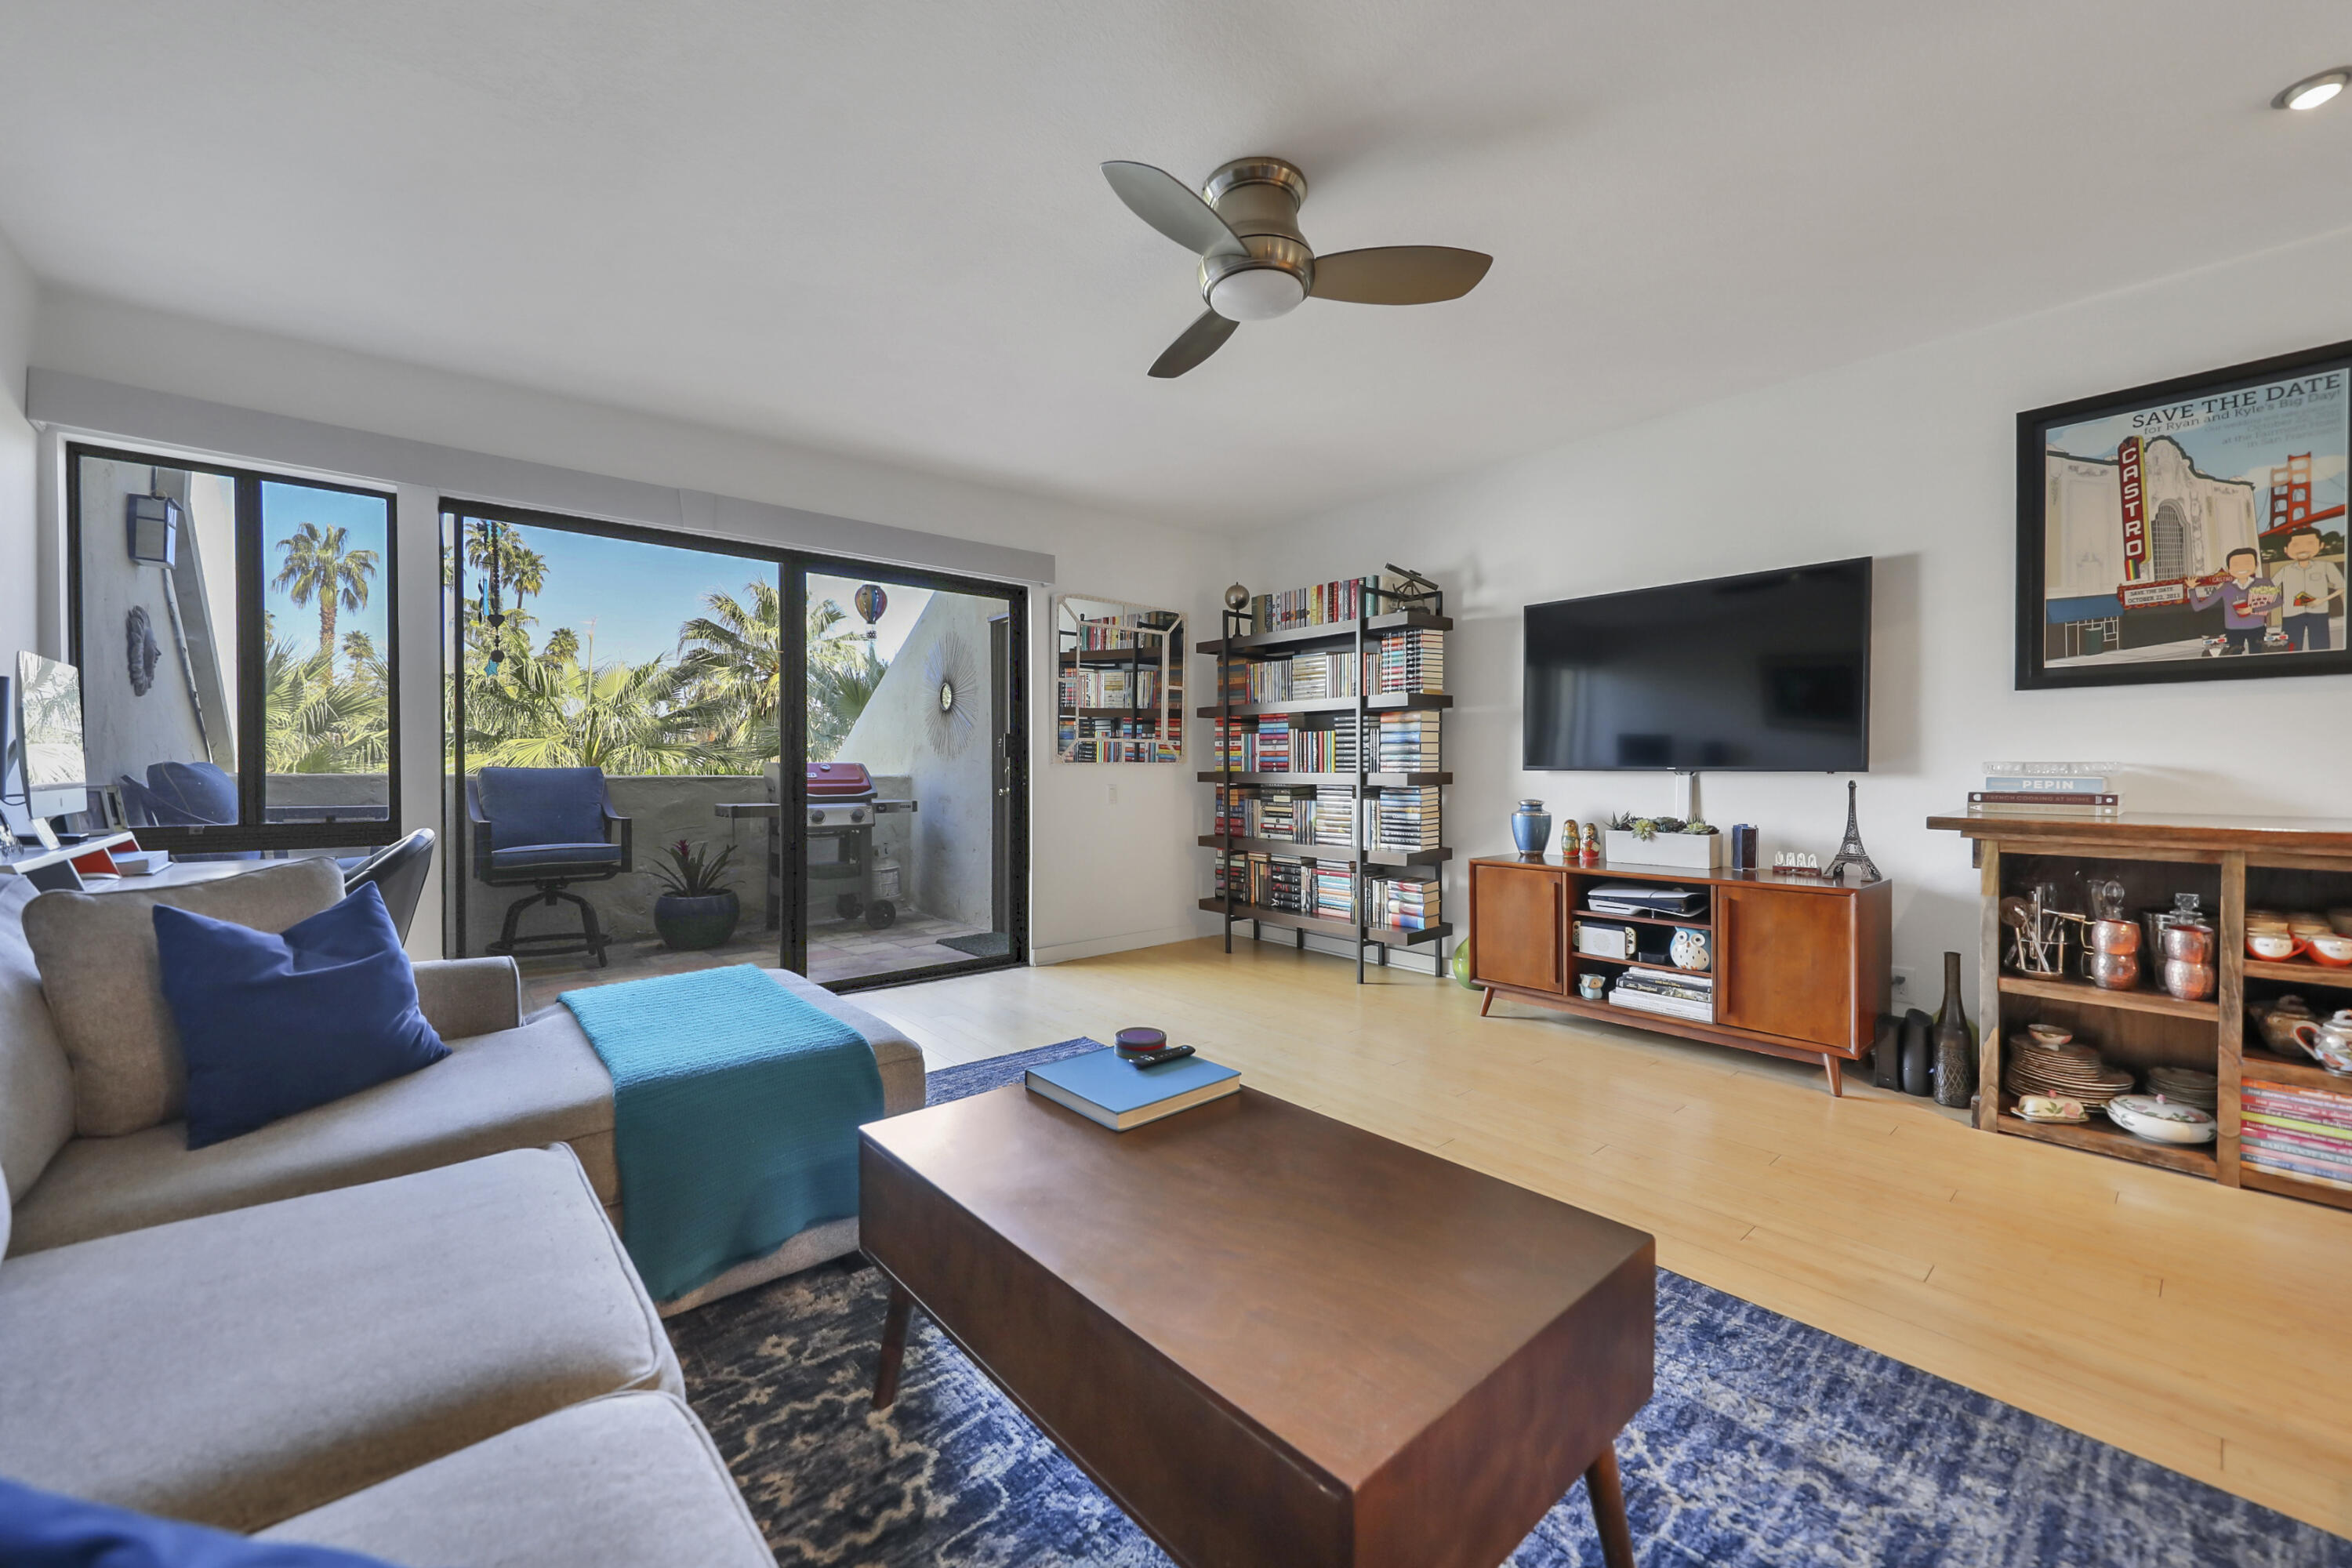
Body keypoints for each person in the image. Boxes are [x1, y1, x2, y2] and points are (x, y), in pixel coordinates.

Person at [2188, 546, 2281, 655]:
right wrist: (2192, 589)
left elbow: (2278, 602)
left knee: (2257, 657)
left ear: (2256, 565)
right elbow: (2198, 607)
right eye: (2236, 564)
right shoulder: (2226, 587)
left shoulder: (2264, 583)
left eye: (2247, 563)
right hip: (2233, 630)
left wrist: (2253, 610)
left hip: (2257, 628)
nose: (2242, 568)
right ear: (2229, 569)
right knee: (2234, 658)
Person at [2270, 526, 2345, 652]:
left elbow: (2342, 587)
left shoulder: (2326, 566)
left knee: (2321, 648)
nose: (2303, 549)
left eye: (2310, 543)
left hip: (2319, 613)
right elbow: (2270, 588)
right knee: (2290, 649)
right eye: (2296, 545)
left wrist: (2321, 600)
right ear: (2286, 549)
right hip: (2291, 614)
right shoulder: (2285, 570)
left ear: (2321, 545)